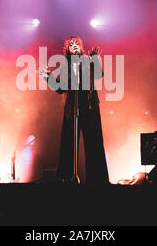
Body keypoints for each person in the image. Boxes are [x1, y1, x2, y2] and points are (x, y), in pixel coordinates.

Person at [40, 36, 109, 184]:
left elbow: (99, 75)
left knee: (94, 142)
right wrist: (48, 77)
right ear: (68, 49)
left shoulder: (88, 60)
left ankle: (97, 180)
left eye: (77, 43)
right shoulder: (66, 65)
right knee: (69, 143)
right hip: (72, 107)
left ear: (81, 47)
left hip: (90, 107)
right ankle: (66, 178)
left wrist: (96, 59)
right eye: (71, 44)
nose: (74, 45)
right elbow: (60, 88)